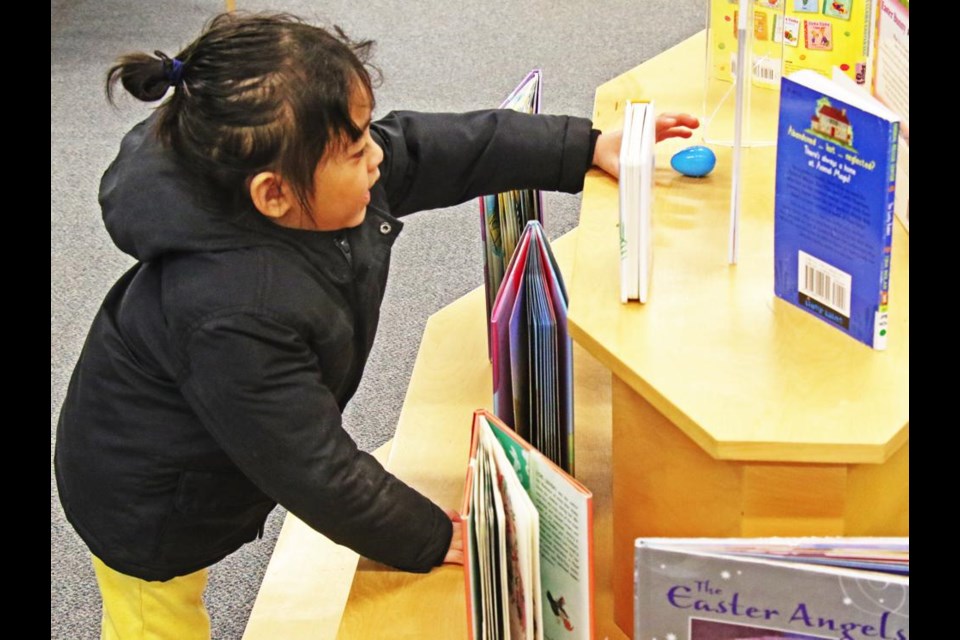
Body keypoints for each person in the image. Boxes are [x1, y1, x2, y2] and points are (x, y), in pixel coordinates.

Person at [54, 11, 699, 638]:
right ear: (273, 193)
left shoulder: (310, 185)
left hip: (213, 448)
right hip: (147, 499)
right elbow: (312, 466)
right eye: (356, 145)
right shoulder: (231, 313)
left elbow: (436, 149)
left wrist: (583, 146)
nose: (375, 158)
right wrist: (427, 534)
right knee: (156, 617)